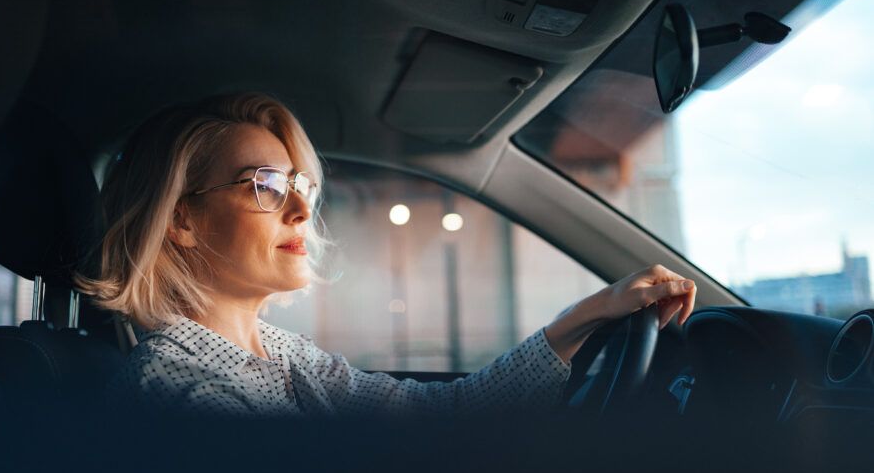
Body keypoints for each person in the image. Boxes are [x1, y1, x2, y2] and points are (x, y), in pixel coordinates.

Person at [79, 93, 697, 417]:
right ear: (181, 219)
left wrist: (593, 313)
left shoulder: (286, 356)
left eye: (300, 187)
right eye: (265, 184)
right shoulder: (176, 387)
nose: (299, 211)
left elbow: (446, 412)